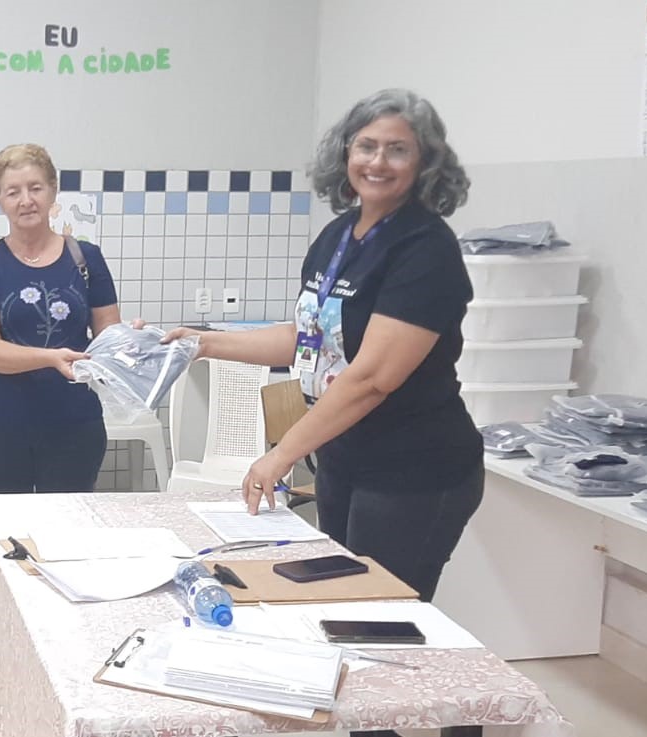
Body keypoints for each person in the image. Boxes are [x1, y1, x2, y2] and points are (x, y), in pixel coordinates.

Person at [164, 89, 482, 607]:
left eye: (398, 149)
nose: (378, 162)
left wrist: (282, 454)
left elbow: (372, 378)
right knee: (336, 604)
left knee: (380, 614)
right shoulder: (339, 235)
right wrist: (203, 343)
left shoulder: (425, 249)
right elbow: (306, 337)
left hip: (413, 467)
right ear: (345, 152)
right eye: (366, 146)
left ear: (425, 162)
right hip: (343, 457)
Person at [0, 143, 121, 492]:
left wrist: (131, 339)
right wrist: (50, 358)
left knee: (68, 521)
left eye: (35, 188)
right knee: (5, 522)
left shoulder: (86, 258)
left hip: (74, 421)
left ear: (53, 191)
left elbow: (109, 335)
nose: (26, 200)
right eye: (13, 192)